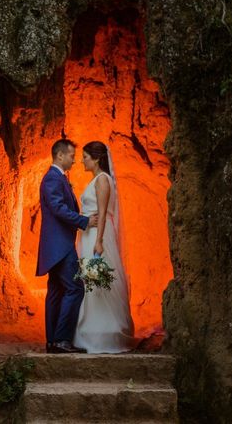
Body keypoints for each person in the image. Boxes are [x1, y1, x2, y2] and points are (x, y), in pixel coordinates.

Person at [72, 141, 137, 354]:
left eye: (86, 157)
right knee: (91, 280)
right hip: (90, 234)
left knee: (98, 279)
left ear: (97, 159)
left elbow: (102, 212)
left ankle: (103, 330)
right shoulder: (96, 180)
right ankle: (92, 326)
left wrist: (99, 241)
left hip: (97, 235)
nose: (82, 160)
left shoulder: (102, 180)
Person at [36, 138, 98, 354]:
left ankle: (52, 341)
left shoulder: (57, 178)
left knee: (56, 291)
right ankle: (62, 340)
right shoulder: (53, 178)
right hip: (60, 246)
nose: (74, 161)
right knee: (75, 288)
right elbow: (58, 208)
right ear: (60, 155)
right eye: (72, 156)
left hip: (56, 246)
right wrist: (84, 221)